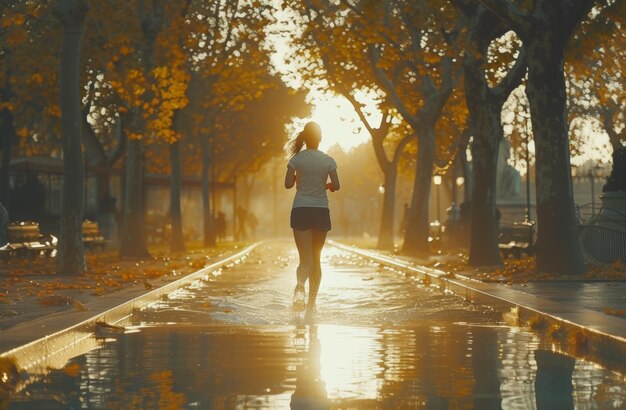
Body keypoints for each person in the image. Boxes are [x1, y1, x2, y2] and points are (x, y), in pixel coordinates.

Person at [285, 121, 340, 317]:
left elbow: (287, 185)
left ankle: (300, 284)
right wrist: (325, 186)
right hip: (320, 211)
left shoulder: (296, 160)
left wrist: (298, 178)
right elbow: (337, 185)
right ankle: (311, 306)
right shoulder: (328, 160)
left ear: (304, 139)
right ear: (321, 138)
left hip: (300, 209)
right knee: (316, 260)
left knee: (304, 259)